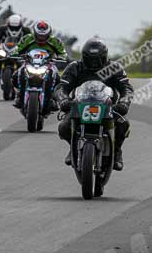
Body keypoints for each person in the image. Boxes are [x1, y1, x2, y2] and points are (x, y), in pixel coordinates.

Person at [55, 37, 133, 171]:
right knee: (63, 127)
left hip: (108, 106)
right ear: (84, 56)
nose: (94, 62)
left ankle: (117, 152)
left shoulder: (114, 68)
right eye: (90, 59)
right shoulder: (74, 67)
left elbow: (126, 87)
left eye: (97, 58)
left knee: (123, 124)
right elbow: (61, 87)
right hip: (79, 105)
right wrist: (63, 99)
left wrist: (124, 102)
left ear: (104, 56)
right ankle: (73, 147)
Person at [11, 20, 66, 110]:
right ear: (35, 33)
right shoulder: (27, 39)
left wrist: (61, 58)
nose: (41, 38)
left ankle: (53, 99)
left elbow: (63, 53)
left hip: (48, 64)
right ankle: (19, 96)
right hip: (30, 62)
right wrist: (15, 54)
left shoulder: (55, 41)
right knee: (16, 75)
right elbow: (17, 49)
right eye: (39, 35)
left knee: (58, 79)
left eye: (44, 36)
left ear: (48, 34)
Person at [0, 14, 32, 80]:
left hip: (20, 49)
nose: (14, 29)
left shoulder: (26, 30)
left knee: (28, 57)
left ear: (20, 25)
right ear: (8, 24)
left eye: (16, 28)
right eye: (12, 27)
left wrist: (29, 47)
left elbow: (30, 40)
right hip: (5, 47)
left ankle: (26, 73)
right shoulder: (2, 29)